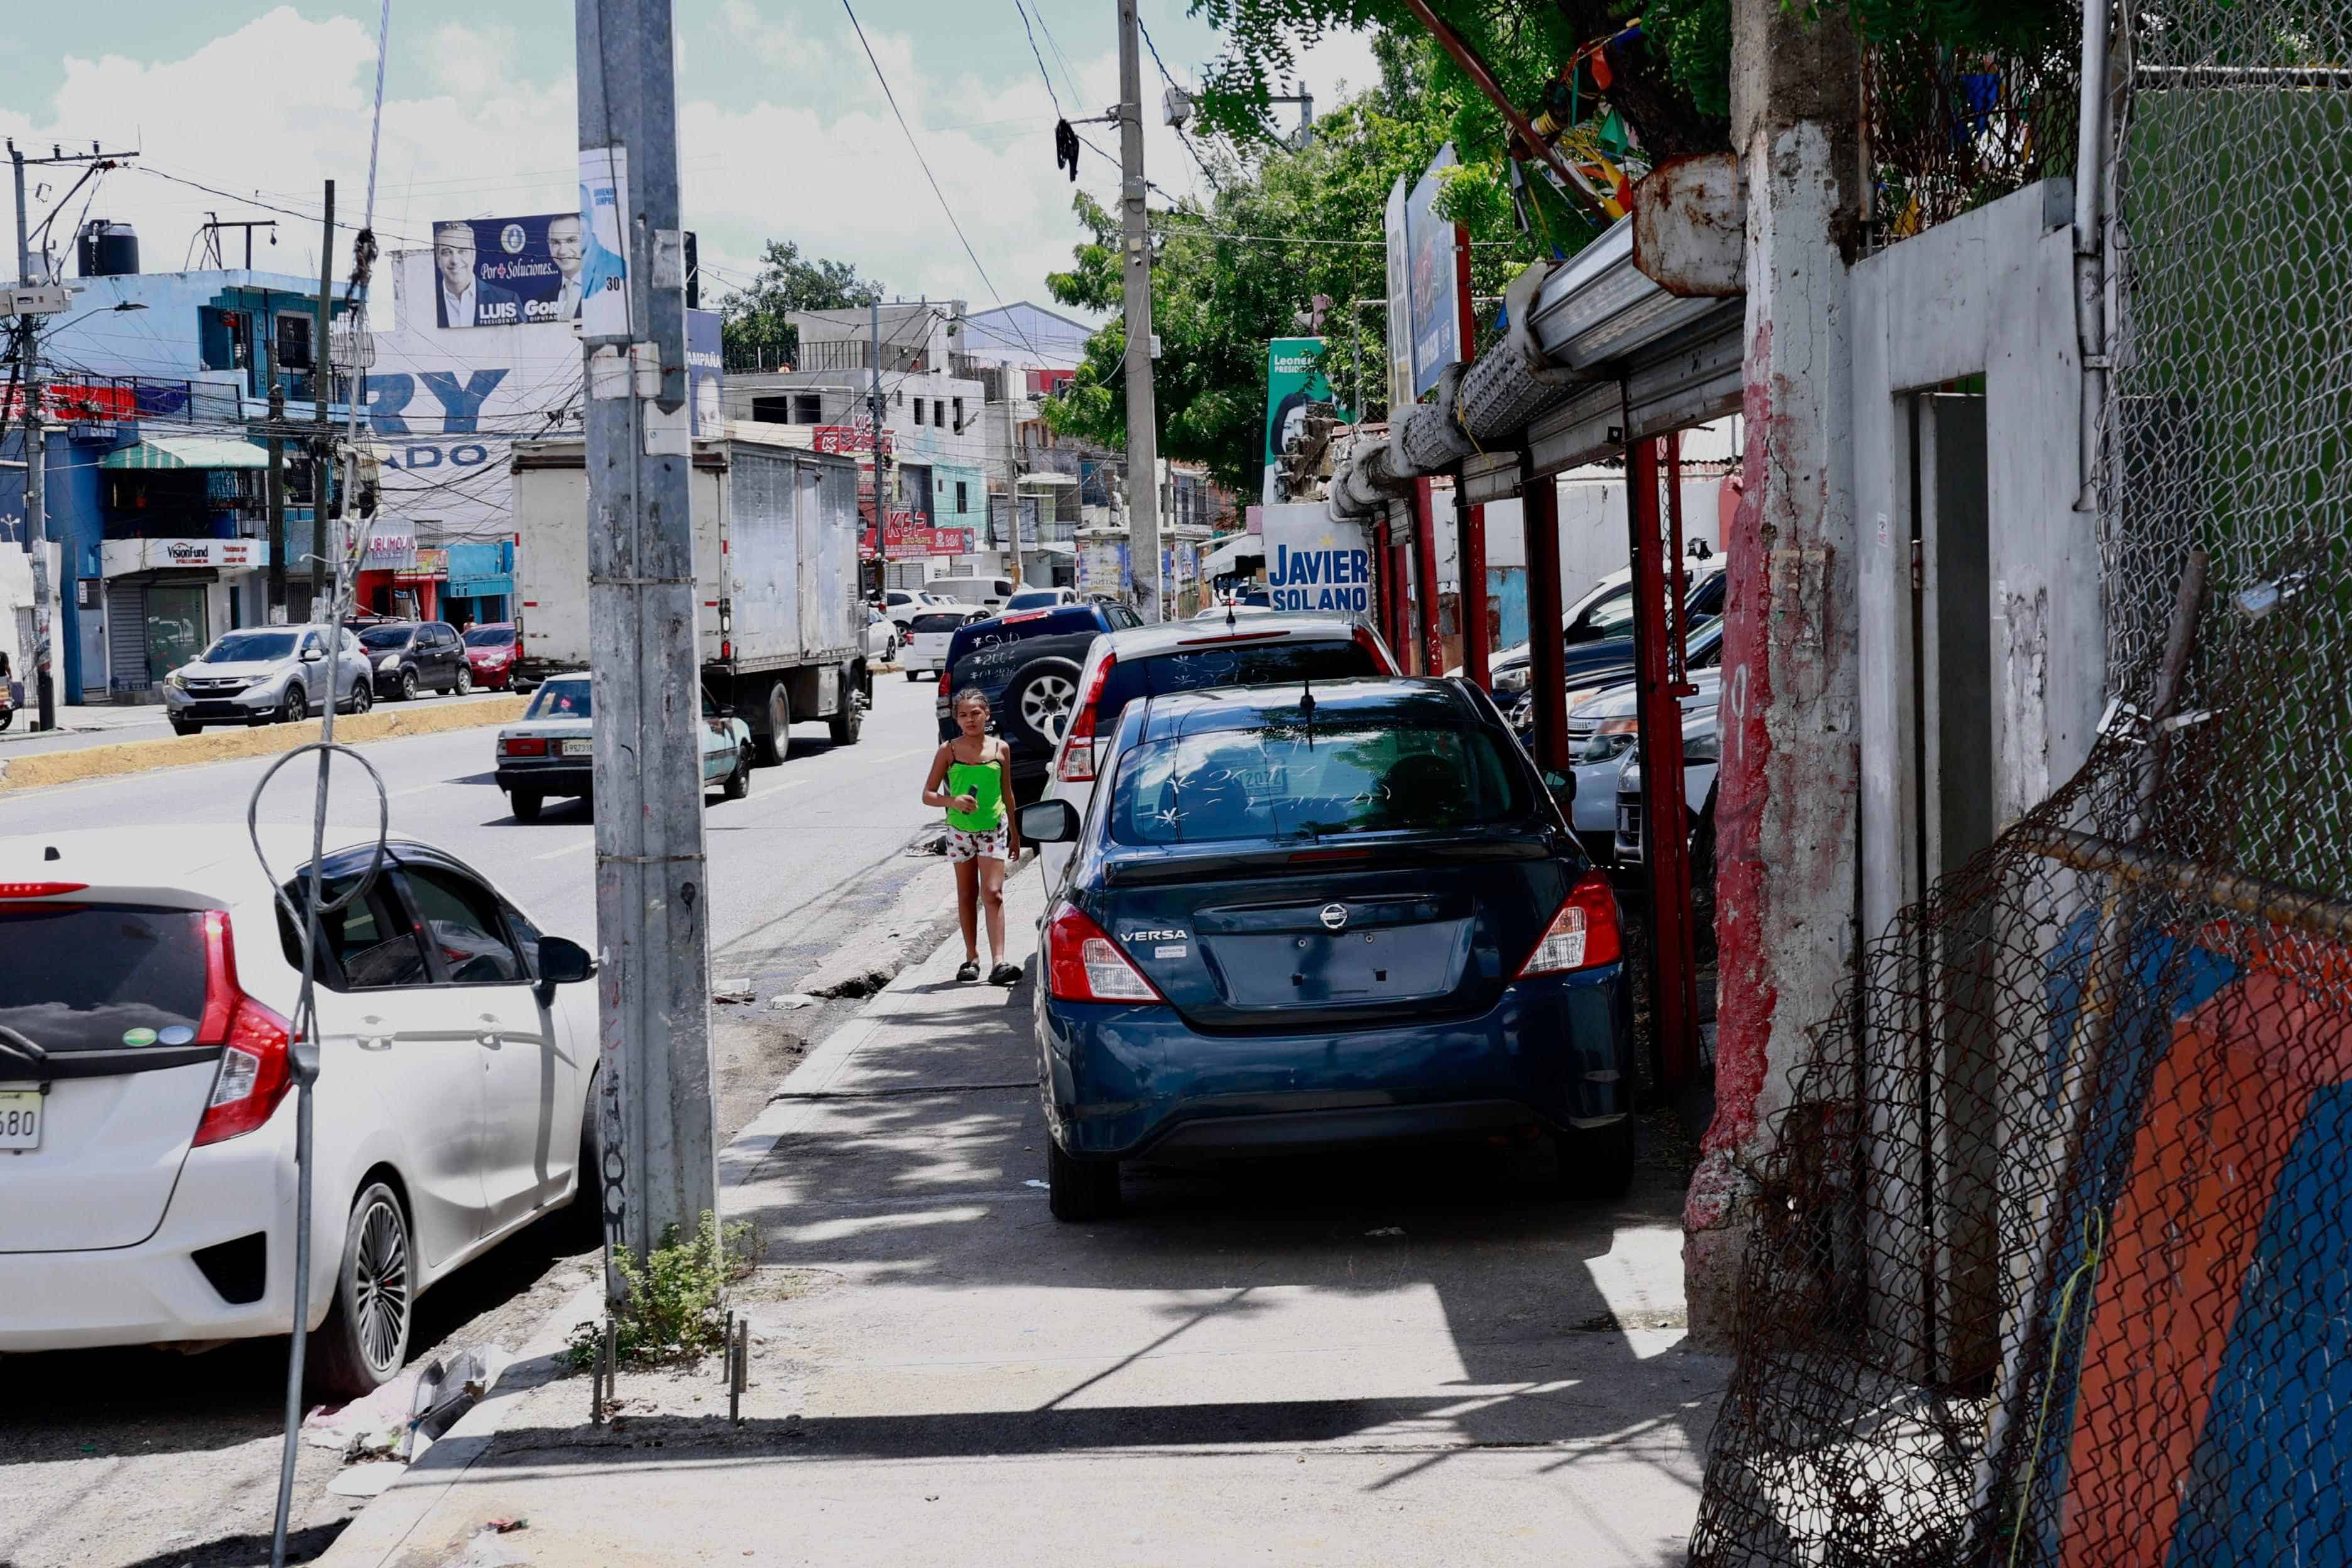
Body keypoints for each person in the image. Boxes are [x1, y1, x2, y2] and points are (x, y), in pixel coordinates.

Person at [922, 689, 1022, 984]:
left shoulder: (1000, 749)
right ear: (956, 719)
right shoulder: (948, 751)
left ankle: (1000, 962)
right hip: (960, 832)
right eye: (963, 715)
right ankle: (971, 958)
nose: (970, 720)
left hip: (994, 829)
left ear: (987, 714)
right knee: (967, 895)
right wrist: (953, 801)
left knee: (993, 893)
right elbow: (928, 795)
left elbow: (1007, 792)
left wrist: (1015, 834)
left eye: (976, 713)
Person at [433, 223, 521, 329]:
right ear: (438, 259)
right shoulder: (427, 305)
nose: (455, 261)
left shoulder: (507, 300)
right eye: (446, 253)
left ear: (474, 254)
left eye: (462, 251)